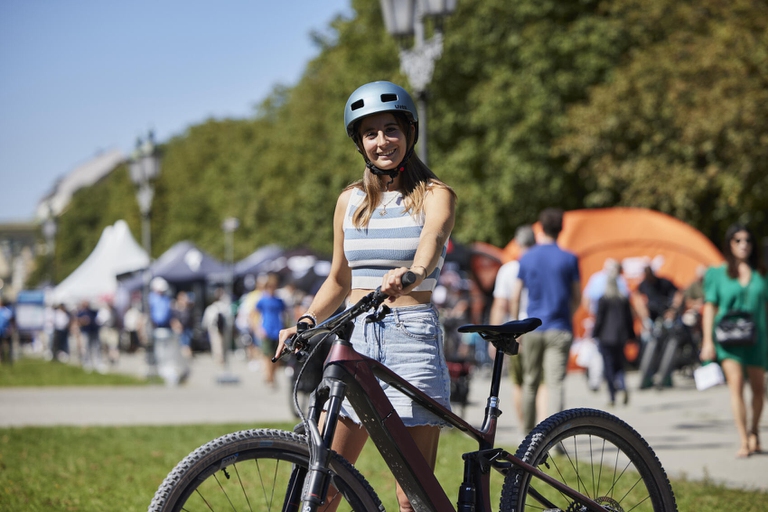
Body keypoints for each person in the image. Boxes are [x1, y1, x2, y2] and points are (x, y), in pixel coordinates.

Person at [276, 81, 456, 512]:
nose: (382, 142)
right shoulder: (349, 202)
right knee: (322, 488)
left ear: (409, 133)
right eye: (370, 133)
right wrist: (305, 322)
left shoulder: (436, 194)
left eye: (391, 129)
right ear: (359, 142)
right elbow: (338, 280)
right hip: (354, 339)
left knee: (412, 497)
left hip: (411, 338)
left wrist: (413, 273)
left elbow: (432, 242)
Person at [510, 208, 581, 433]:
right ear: (561, 229)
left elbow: (516, 294)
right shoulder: (569, 258)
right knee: (555, 384)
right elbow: (578, 297)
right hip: (559, 328)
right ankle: (555, 438)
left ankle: (528, 437)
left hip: (532, 328)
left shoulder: (527, 257)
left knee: (530, 382)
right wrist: (566, 313)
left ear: (540, 228)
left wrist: (514, 325)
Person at [700, 224, 767, 458]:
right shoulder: (717, 273)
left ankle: (754, 431)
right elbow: (709, 307)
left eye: (747, 240)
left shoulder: (761, 273)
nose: (743, 244)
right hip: (728, 340)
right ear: (729, 244)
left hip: (758, 339)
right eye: (737, 240)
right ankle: (743, 440)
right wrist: (707, 341)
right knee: (736, 386)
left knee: (759, 390)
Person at [489, 225, 547, 430]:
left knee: (519, 382)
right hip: (542, 327)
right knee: (541, 382)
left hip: (518, 329)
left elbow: (500, 305)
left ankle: (526, 429)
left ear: (518, 243)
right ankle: (544, 428)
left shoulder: (508, 269)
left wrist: (494, 335)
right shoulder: (544, 267)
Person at [592, 263, 635, 407]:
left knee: (609, 367)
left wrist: (594, 334)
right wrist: (631, 336)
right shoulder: (623, 299)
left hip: (606, 337)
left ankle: (612, 396)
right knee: (619, 365)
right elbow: (629, 319)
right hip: (620, 337)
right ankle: (622, 386)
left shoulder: (603, 299)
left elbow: (599, 320)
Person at [256, 273, 286, 387]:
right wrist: (258, 328)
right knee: (267, 355)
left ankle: (272, 375)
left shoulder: (279, 301)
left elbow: (285, 315)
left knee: (276, 356)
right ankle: (269, 376)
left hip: (277, 329)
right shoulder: (262, 300)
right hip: (267, 329)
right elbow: (254, 314)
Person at [202, 287, 231, 368]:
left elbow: (206, 321)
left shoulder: (211, 308)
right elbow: (229, 319)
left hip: (214, 329)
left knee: (216, 345)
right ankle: (223, 359)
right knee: (224, 344)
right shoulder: (225, 307)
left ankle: (219, 359)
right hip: (224, 329)